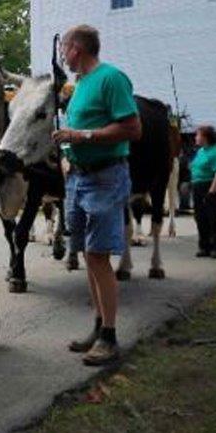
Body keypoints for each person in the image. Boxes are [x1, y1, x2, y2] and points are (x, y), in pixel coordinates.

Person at [51, 24, 141, 367]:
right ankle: (98, 326)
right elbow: (74, 134)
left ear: (77, 48)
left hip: (106, 178)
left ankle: (110, 337)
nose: (62, 56)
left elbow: (133, 128)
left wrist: (81, 135)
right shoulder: (81, 84)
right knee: (89, 256)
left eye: (64, 50)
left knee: (98, 256)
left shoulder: (111, 78)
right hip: (78, 178)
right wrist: (66, 156)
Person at [188, 125, 216, 260]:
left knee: (213, 218)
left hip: (209, 186)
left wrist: (211, 192)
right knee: (200, 218)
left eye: (197, 135)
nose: (195, 138)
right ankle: (204, 247)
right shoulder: (201, 151)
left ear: (205, 137)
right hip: (197, 186)